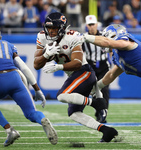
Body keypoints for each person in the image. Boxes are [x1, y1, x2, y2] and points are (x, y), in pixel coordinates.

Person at [83, 23, 141, 144]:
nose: (105, 39)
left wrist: (86, 37)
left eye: (106, 36)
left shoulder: (126, 42)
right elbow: (111, 75)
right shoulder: (119, 55)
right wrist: (96, 87)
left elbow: (110, 43)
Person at [34, 12, 119, 142]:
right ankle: (106, 131)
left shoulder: (72, 37)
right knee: (74, 114)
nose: (50, 31)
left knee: (61, 95)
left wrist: (59, 67)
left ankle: (95, 103)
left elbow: (78, 63)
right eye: (49, 28)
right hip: (73, 76)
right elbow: (36, 64)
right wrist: (46, 55)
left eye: (54, 28)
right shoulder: (42, 36)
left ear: (62, 28)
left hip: (84, 72)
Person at [0, 22, 58, 147]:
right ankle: (42, 120)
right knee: (31, 113)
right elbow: (24, 67)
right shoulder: (8, 44)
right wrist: (37, 89)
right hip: (16, 77)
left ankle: (9, 130)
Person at [82, 15, 111, 123]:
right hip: (91, 66)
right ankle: (98, 111)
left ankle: (103, 113)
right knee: (93, 91)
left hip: (103, 66)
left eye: (93, 24)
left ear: (97, 24)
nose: (92, 27)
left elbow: (111, 48)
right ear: (87, 26)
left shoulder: (104, 35)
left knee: (104, 90)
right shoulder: (84, 38)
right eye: (89, 25)